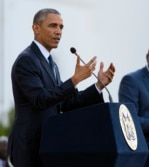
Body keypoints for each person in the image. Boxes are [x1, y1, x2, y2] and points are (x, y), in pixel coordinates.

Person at [7, 8, 115, 167]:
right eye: (52, 26)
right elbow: (40, 99)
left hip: (48, 145)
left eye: (61, 27)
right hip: (28, 147)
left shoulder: (52, 65)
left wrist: (98, 85)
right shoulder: (27, 60)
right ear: (36, 28)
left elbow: (65, 103)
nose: (58, 32)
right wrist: (75, 80)